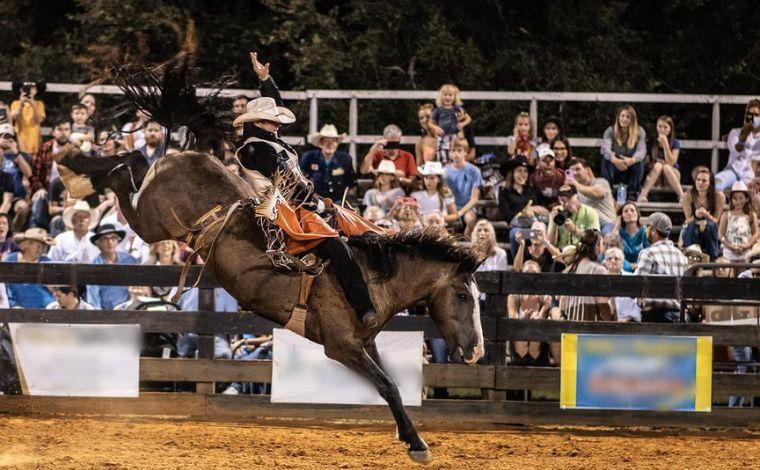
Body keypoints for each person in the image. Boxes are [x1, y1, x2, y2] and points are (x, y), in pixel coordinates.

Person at [234, 51, 383, 329]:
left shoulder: (263, 141)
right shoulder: (257, 148)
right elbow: (287, 186)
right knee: (337, 245)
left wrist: (266, 81)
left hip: (298, 206)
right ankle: (364, 308)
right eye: (270, 120)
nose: (277, 123)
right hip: (285, 215)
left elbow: (275, 108)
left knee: (359, 228)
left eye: (275, 119)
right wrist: (321, 206)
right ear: (257, 122)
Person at [634, 212, 688, 322]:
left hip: (654, 315)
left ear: (653, 231)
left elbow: (636, 285)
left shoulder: (648, 253)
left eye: (647, 227)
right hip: (677, 315)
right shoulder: (681, 256)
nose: (645, 230)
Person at [556, 229, 613, 322]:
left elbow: (562, 302)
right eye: (602, 243)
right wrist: (611, 323)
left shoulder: (569, 270)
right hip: (591, 328)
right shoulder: (598, 270)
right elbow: (602, 302)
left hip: (572, 326)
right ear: (597, 246)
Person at [29, 119, 72, 230]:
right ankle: (36, 233)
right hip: (46, 191)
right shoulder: (43, 149)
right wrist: (39, 188)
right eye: (59, 129)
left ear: (70, 132)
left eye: (66, 129)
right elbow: (34, 174)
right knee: (39, 199)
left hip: (65, 193)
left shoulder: (75, 150)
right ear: (53, 132)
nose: (63, 132)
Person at [507, 260, 552, 365]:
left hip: (539, 347)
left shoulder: (545, 298)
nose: (530, 275)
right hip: (519, 346)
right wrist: (525, 321)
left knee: (535, 332)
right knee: (520, 334)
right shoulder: (514, 297)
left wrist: (537, 317)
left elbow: (544, 319)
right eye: (527, 272)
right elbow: (514, 318)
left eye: (534, 273)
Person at [498, 154, 543, 255]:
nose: (523, 174)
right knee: (517, 234)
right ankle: (518, 266)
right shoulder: (504, 192)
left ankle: (538, 263)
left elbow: (541, 209)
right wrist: (525, 211)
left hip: (534, 226)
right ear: (512, 173)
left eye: (525, 171)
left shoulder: (533, 190)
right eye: (519, 170)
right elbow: (508, 216)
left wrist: (535, 210)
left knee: (542, 231)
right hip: (517, 228)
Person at [86, 224, 139, 310]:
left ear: (118, 241)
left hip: (128, 310)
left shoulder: (129, 260)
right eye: (105, 239)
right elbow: (93, 298)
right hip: (105, 313)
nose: (110, 242)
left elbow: (137, 288)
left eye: (113, 238)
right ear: (98, 243)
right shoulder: (94, 266)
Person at [299, 124, 356, 202]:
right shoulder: (308, 158)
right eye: (326, 141)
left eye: (333, 141)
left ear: (337, 144)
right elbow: (300, 180)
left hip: (338, 203)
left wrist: (348, 202)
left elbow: (351, 184)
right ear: (321, 144)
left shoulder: (345, 159)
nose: (330, 144)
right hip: (313, 202)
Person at [600, 105, 646, 200]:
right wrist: (614, 160)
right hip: (615, 165)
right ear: (618, 117)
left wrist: (632, 160)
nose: (624, 119)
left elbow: (642, 151)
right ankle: (609, 193)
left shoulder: (639, 131)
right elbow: (605, 148)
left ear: (632, 119)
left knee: (640, 162)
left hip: (630, 166)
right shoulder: (610, 131)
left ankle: (631, 194)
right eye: (622, 116)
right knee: (606, 159)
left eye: (628, 117)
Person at [716, 99, 760, 190]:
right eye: (750, 114)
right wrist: (745, 134)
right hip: (732, 171)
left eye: (756, 115)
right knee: (715, 182)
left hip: (751, 175)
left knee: (744, 190)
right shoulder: (735, 132)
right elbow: (737, 152)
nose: (752, 117)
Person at [4, 228, 55, 308]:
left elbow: (53, 292)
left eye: (43, 247)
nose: (40, 250)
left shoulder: (46, 262)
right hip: (17, 310)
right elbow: (6, 289)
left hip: (45, 310)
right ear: (27, 245)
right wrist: (14, 305)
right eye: (38, 246)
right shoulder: (11, 260)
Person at [681, 166, 724, 260]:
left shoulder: (718, 196)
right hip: (693, 228)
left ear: (710, 182)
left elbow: (716, 221)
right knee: (692, 226)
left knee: (710, 226)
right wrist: (696, 216)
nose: (700, 183)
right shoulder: (687, 196)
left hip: (711, 230)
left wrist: (706, 215)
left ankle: (713, 259)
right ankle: (690, 258)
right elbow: (688, 220)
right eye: (698, 179)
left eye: (704, 180)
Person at [566, 157, 616, 234]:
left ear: (588, 170)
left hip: (606, 224)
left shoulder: (601, 182)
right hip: (588, 227)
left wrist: (577, 185)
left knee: (606, 234)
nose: (575, 173)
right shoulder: (575, 192)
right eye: (572, 171)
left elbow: (597, 193)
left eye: (578, 169)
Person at [638, 115, 683, 202]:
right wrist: (654, 162)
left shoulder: (675, 143)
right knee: (658, 166)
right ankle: (643, 195)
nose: (662, 129)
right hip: (656, 176)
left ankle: (681, 196)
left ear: (670, 129)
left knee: (666, 167)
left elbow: (671, 162)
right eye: (659, 126)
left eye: (665, 127)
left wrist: (665, 144)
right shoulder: (651, 142)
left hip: (671, 176)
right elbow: (646, 163)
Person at [444, 138, 482, 238]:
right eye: (453, 150)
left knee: (470, 219)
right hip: (449, 207)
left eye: (459, 150)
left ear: (465, 152)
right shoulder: (444, 171)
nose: (456, 154)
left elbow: (474, 199)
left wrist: (460, 212)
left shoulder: (474, 171)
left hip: (467, 207)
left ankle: (467, 242)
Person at [547, 185, 600, 250]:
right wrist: (553, 223)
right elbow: (551, 244)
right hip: (561, 253)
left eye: (569, 199)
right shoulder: (557, 213)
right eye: (562, 200)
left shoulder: (589, 212)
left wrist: (575, 230)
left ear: (577, 197)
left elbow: (595, 240)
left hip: (582, 252)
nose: (566, 204)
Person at [428, 84, 471, 164]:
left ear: (454, 97)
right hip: (442, 137)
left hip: (454, 137)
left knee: (454, 157)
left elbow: (468, 119)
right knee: (442, 158)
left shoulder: (457, 109)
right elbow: (430, 123)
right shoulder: (438, 110)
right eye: (445, 95)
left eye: (450, 95)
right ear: (441, 96)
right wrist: (436, 128)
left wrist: (462, 124)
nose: (447, 97)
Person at [719, 181, 759, 262]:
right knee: (730, 270)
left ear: (746, 199)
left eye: (741, 198)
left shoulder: (751, 215)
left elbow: (755, 233)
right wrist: (730, 246)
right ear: (731, 200)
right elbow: (721, 234)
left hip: (745, 249)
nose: (738, 201)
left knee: (743, 269)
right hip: (729, 249)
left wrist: (747, 245)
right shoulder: (726, 215)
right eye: (735, 198)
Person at [603, 247, 641, 322]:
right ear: (605, 262)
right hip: (606, 323)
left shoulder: (631, 278)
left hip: (629, 322)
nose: (613, 261)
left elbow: (637, 303)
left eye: (616, 258)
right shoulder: (601, 279)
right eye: (609, 259)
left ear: (623, 262)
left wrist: (629, 319)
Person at [9, 81, 45, 154]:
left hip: (35, 142)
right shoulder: (15, 103)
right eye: (26, 88)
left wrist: (32, 103)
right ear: (20, 90)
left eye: (33, 87)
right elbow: (14, 117)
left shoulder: (39, 104)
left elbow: (39, 120)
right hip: (20, 142)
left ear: (36, 90)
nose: (30, 90)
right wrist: (21, 105)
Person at [616, 201, 648, 266]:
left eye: (632, 210)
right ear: (621, 216)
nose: (629, 213)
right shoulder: (619, 232)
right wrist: (616, 226)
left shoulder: (644, 231)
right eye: (626, 211)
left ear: (637, 214)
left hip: (642, 267)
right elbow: (610, 250)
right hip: (622, 268)